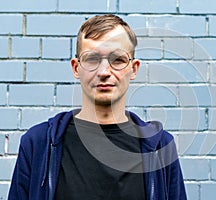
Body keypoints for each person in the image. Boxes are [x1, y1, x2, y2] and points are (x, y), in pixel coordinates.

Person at [8, 14, 187, 200]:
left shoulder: (160, 147)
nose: (103, 72)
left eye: (118, 60)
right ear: (76, 68)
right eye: (92, 59)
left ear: (133, 69)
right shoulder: (38, 143)